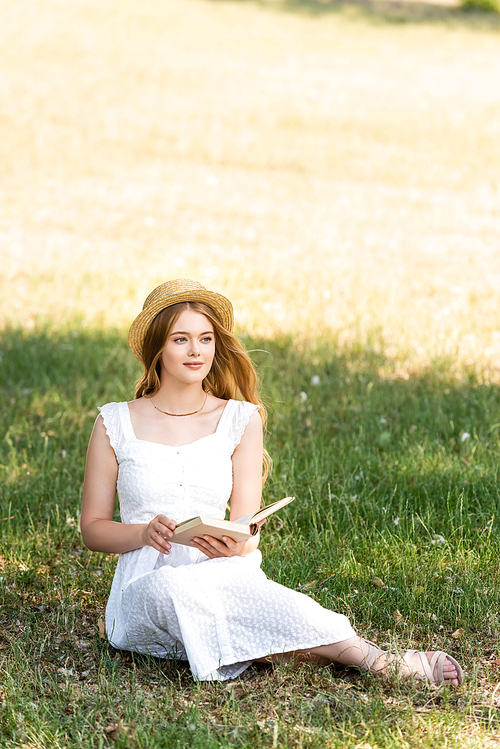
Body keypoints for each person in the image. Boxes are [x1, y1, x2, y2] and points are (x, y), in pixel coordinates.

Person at [81, 279, 463, 686]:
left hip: (221, 573)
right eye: (180, 339)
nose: (196, 351)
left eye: (205, 338)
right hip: (145, 590)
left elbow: (247, 534)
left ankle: (376, 660)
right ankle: (364, 659)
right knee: (173, 588)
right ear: (158, 347)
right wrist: (143, 532)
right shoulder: (115, 422)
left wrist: (237, 542)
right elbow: (93, 530)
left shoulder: (241, 420)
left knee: (255, 600)